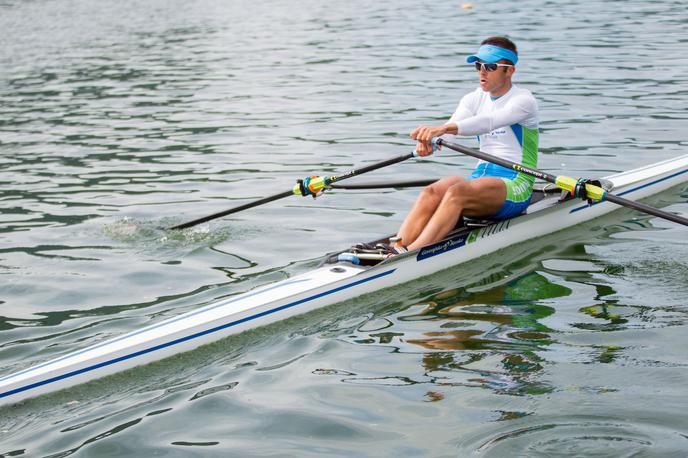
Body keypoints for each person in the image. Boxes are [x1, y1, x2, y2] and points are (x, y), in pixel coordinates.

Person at [392, 36, 539, 252]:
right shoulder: (473, 98)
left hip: (516, 183)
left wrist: (441, 129)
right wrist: (430, 143)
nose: (482, 72)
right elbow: (451, 130)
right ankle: (397, 246)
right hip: (481, 178)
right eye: (479, 65)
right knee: (432, 191)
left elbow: (487, 122)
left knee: (456, 193)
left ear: (509, 71)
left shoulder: (524, 101)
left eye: (490, 66)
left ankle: (411, 256)